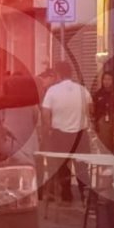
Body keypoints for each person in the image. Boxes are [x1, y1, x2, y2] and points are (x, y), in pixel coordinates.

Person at [39, 61, 91, 202]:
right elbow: (90, 110)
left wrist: (46, 133)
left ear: (57, 74)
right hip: (80, 134)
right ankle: (85, 195)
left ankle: (66, 195)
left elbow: (45, 115)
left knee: (62, 166)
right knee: (82, 167)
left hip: (60, 135)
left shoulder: (52, 91)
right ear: (71, 73)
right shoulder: (82, 90)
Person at [91, 70, 114, 153]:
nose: (106, 82)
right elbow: (94, 111)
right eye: (105, 79)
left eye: (109, 79)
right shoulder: (98, 95)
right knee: (104, 147)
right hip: (103, 123)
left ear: (113, 81)